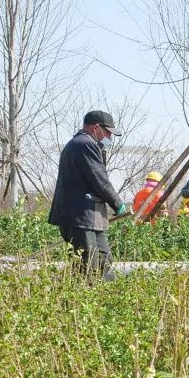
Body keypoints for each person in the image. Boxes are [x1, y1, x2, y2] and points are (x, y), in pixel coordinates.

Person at [48, 110, 129, 278]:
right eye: (107, 133)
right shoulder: (85, 144)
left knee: (103, 260)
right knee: (87, 266)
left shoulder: (79, 144)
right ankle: (76, 300)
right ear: (95, 128)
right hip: (80, 218)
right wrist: (117, 202)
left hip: (87, 219)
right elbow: (99, 179)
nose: (109, 138)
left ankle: (104, 298)